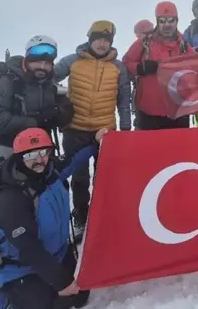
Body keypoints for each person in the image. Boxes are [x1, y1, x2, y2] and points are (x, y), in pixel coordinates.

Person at [0, 127, 104, 309]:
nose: (39, 160)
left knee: (80, 295)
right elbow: (28, 248)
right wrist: (61, 281)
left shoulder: (51, 172)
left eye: (43, 152)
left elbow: (75, 159)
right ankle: (4, 297)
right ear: (19, 157)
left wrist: (96, 141)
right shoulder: (13, 198)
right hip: (22, 267)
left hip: (57, 253)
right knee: (51, 304)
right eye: (30, 155)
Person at [52, 20, 132, 241]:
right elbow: (45, 80)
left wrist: (125, 130)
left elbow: (124, 100)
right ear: (90, 39)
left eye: (106, 40)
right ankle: (81, 217)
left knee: (105, 177)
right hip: (74, 130)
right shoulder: (72, 61)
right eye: (98, 38)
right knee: (79, 178)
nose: (102, 43)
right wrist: (59, 99)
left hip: (105, 131)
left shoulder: (118, 67)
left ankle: (104, 217)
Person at [0, 36, 74, 147]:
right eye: (38, 63)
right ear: (27, 61)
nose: (42, 67)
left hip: (41, 150)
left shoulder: (48, 85)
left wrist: (60, 112)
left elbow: (64, 113)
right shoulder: (8, 82)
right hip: (8, 151)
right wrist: (35, 122)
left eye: (47, 64)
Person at [122, 1, 196, 130]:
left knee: (179, 149)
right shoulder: (144, 42)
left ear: (176, 21)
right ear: (157, 22)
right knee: (148, 149)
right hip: (148, 112)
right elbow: (126, 64)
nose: (167, 25)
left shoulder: (184, 46)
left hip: (178, 112)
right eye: (162, 21)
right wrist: (141, 68)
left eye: (170, 20)